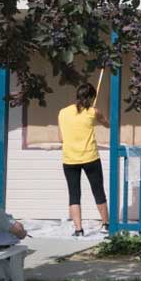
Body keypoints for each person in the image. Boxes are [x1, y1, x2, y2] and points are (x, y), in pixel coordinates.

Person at [58, 83, 110, 236]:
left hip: (69, 158)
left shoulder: (63, 112)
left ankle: (78, 229)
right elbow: (108, 124)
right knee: (98, 191)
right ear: (92, 97)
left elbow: (60, 138)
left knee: (74, 194)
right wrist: (97, 115)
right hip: (90, 157)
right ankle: (106, 224)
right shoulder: (93, 112)